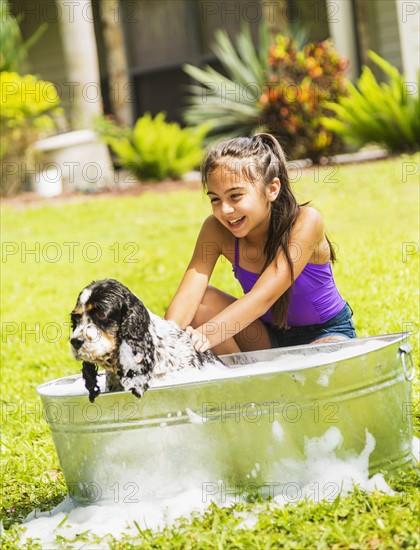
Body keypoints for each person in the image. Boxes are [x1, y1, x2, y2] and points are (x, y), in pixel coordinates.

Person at [165, 133, 356, 355]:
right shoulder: (215, 229)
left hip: (324, 334)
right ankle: (240, 382)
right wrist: (164, 343)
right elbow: (189, 296)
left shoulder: (306, 221)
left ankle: (275, 380)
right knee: (202, 302)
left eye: (235, 196)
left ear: (272, 189)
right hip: (265, 336)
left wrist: (203, 336)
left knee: (310, 363)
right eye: (215, 199)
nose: (225, 210)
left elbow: (263, 297)